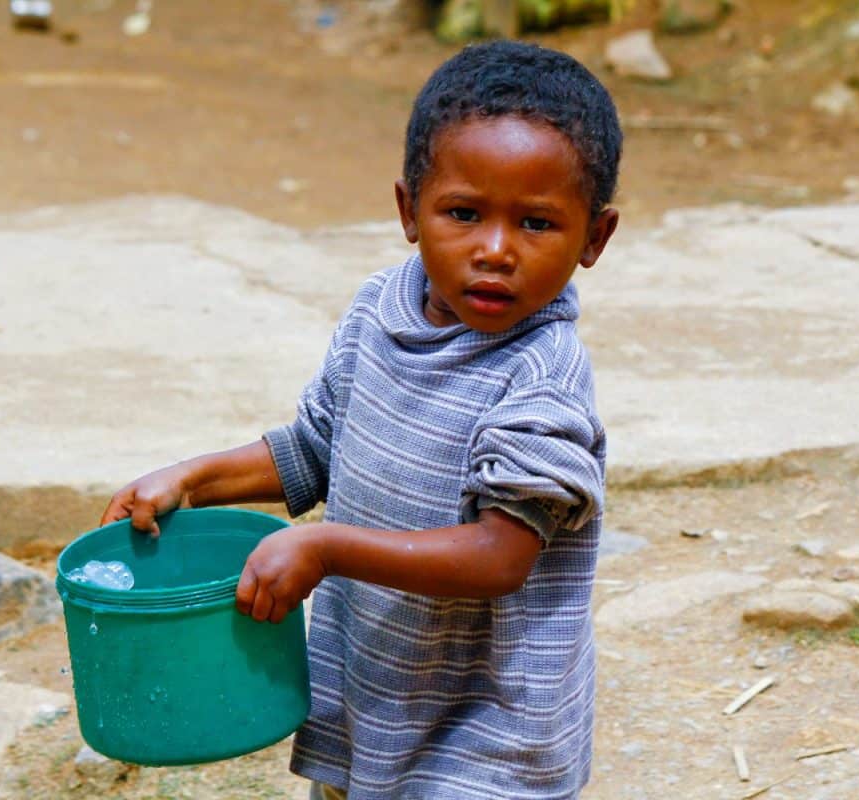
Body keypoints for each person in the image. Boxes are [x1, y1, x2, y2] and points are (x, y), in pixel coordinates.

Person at [100, 39, 621, 800]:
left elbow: (500, 556)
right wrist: (190, 478)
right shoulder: (381, 310)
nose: (496, 250)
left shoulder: (541, 380)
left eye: (537, 224)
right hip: (378, 691)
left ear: (593, 240)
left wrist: (328, 548)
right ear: (410, 211)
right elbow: (316, 448)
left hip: (490, 729)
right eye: (464, 213)